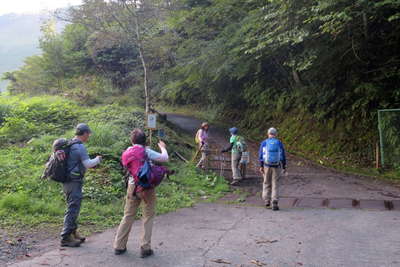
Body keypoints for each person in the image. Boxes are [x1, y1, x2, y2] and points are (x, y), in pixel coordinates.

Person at [113, 129, 169, 258]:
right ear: (145, 141)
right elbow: (165, 158)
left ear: (132, 141)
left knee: (128, 215)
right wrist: (163, 147)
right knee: (148, 216)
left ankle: (119, 246)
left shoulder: (127, 152)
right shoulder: (146, 152)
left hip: (132, 187)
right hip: (147, 188)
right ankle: (145, 247)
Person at [61, 123, 102, 247]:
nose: (88, 136)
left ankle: (73, 232)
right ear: (84, 133)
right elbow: (88, 164)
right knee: (73, 208)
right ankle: (66, 237)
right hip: (74, 181)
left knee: (73, 206)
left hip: (68, 181)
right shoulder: (79, 147)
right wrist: (98, 159)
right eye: (88, 134)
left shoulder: (70, 143)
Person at [258, 127, 286, 211]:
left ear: (268, 134)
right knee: (275, 184)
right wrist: (284, 166)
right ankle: (275, 200)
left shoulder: (264, 143)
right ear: (276, 134)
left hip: (266, 165)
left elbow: (261, 155)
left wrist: (261, 166)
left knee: (266, 182)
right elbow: (283, 156)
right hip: (276, 166)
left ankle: (267, 201)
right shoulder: (279, 143)